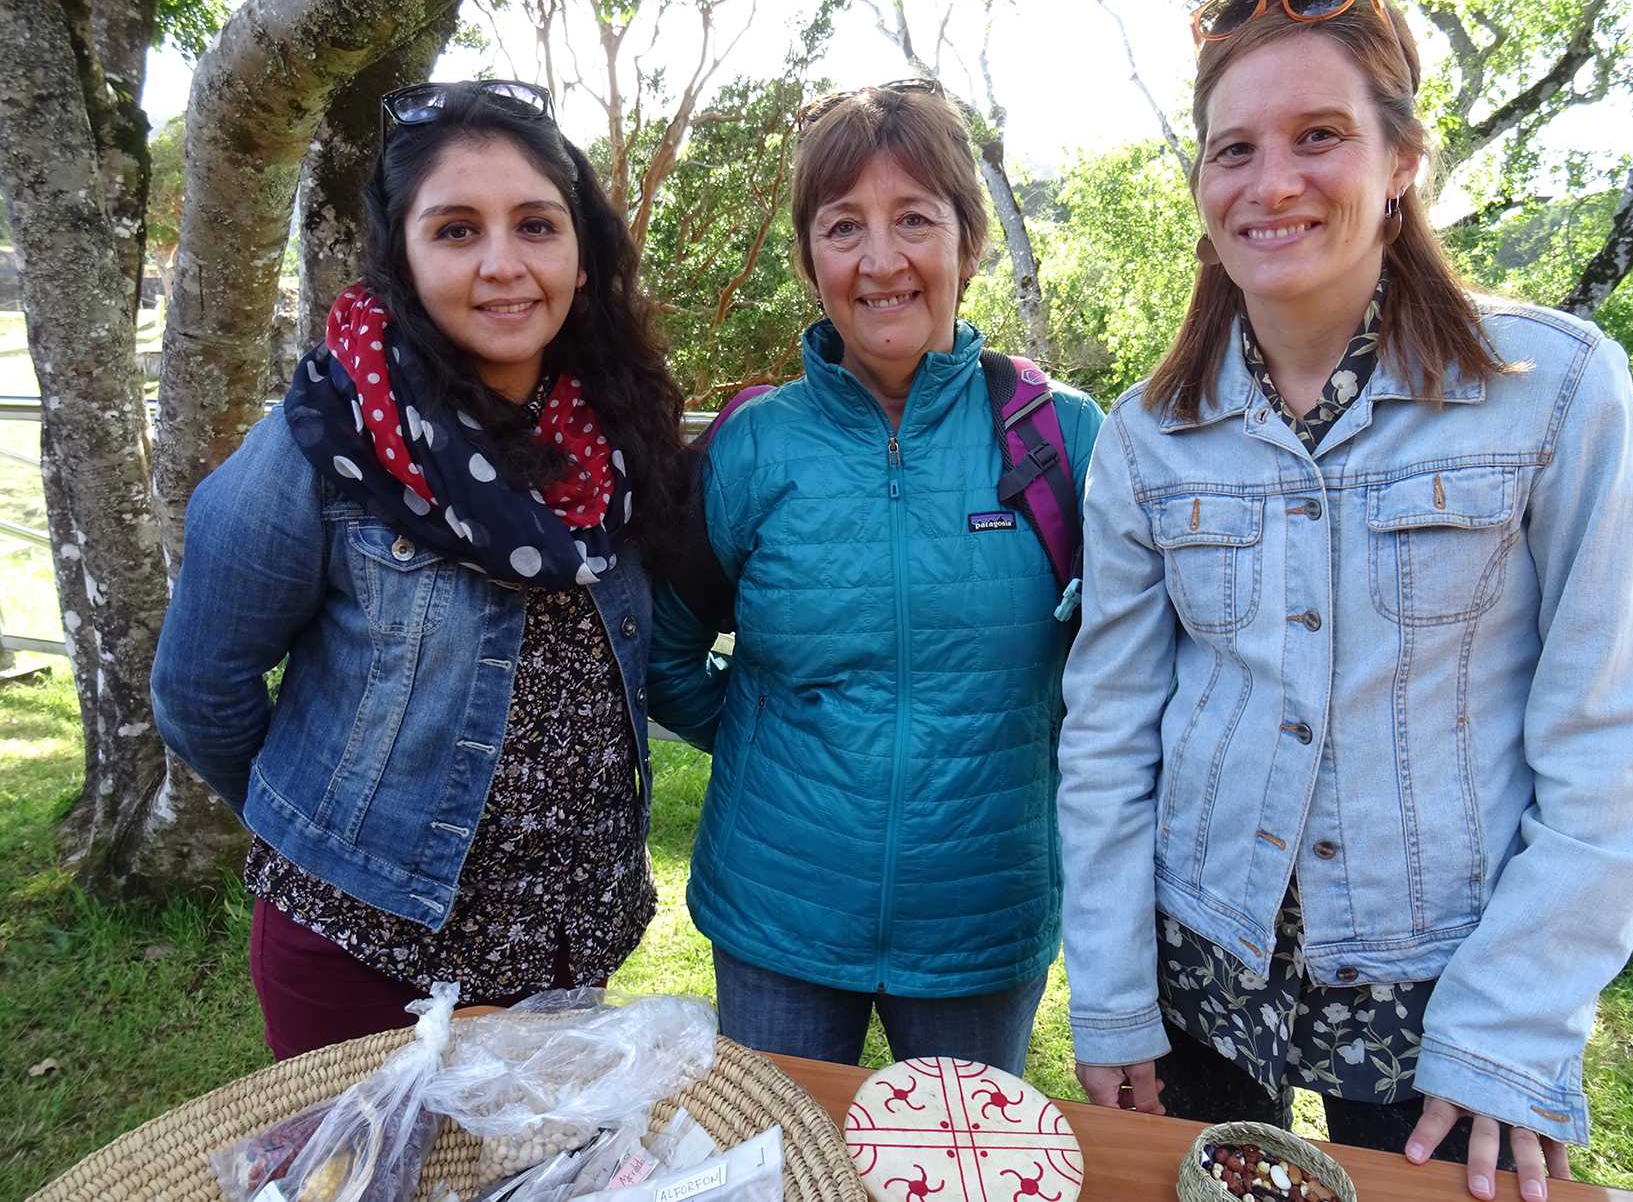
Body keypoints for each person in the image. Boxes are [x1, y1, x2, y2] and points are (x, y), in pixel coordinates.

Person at [1055, 0, 1633, 1202]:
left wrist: (1511, 1028)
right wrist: (1113, 994)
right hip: (1199, 974)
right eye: (1232, 148)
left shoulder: (1552, 391)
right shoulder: (1146, 436)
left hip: (1450, 1002)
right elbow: (1110, 733)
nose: (1270, 182)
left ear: (1400, 160)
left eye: (1318, 136)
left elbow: (1613, 741)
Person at [151, 80, 687, 1060]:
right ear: (400, 255)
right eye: (455, 230)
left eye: (535, 225)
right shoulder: (326, 438)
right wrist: (329, 833)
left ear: (581, 254)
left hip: (562, 946)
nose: (502, 264)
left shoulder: (615, 430)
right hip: (362, 953)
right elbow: (198, 689)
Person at [647, 81, 1103, 1072]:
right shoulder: (750, 448)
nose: (880, 259)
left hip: (980, 922)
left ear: (967, 244)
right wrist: (771, 744)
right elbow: (664, 650)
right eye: (843, 225)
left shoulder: (1063, 439)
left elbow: (1116, 682)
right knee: (777, 1154)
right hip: (776, 917)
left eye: (914, 220)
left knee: (962, 1160)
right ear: (810, 258)